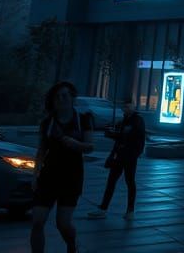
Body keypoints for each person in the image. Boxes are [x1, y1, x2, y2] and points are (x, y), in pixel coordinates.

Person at [30, 81, 95, 253]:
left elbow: (90, 146)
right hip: (48, 176)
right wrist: (35, 174)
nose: (61, 99)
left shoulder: (83, 120)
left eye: (65, 95)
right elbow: (41, 150)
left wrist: (75, 144)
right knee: (37, 221)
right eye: (57, 97)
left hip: (71, 178)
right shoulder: (47, 123)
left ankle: (72, 244)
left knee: (63, 224)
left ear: (72, 97)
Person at [86, 99, 146, 219]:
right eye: (125, 107)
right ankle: (103, 208)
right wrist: (113, 148)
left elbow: (136, 137)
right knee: (112, 182)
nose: (127, 109)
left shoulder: (137, 120)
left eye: (129, 106)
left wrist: (135, 153)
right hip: (120, 155)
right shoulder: (124, 120)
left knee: (129, 182)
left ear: (133, 107)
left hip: (129, 156)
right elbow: (121, 138)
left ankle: (130, 210)